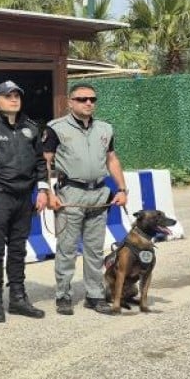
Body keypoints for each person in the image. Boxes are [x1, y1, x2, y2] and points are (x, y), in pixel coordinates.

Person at [43, 82, 129, 316]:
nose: (88, 103)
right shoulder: (55, 128)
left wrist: (122, 189)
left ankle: (94, 294)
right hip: (70, 194)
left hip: (99, 194)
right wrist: (48, 192)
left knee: (94, 250)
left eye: (92, 99)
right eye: (82, 99)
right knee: (67, 248)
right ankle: (63, 295)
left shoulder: (105, 128)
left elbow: (112, 159)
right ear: (70, 102)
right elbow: (45, 161)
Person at [0, 81, 48, 322]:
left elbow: (40, 162)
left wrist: (43, 189)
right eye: (8, 96)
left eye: (17, 95)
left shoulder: (31, 127)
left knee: (18, 249)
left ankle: (18, 298)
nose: (14, 99)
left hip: (24, 197)